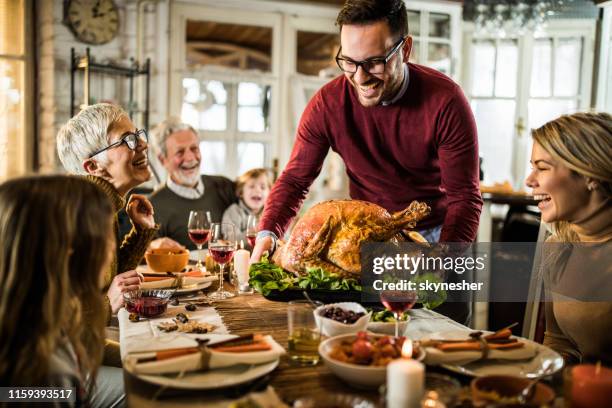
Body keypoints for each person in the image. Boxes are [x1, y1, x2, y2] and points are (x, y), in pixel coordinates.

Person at [0, 176, 124, 407]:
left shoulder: (34, 309)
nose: (111, 249)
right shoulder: (46, 375)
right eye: (105, 235)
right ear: (68, 249)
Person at [525, 111, 612, 364]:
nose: (529, 181)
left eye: (542, 168)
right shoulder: (557, 248)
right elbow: (559, 341)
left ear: (590, 174)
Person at [57, 103, 158, 319]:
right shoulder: (72, 215)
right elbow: (48, 316)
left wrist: (141, 232)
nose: (142, 145)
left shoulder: (101, 206)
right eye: (127, 140)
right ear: (93, 167)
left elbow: (109, 279)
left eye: (138, 135)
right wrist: (105, 305)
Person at [149, 117, 236, 249]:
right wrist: (151, 247)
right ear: (163, 160)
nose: (190, 158)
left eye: (194, 148)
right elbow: (143, 259)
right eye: (180, 152)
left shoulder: (224, 186)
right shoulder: (152, 208)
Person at [222, 168, 272, 244]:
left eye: (263, 187)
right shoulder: (234, 211)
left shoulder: (270, 213)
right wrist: (259, 228)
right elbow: (231, 240)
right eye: (252, 186)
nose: (258, 190)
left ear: (269, 193)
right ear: (241, 192)